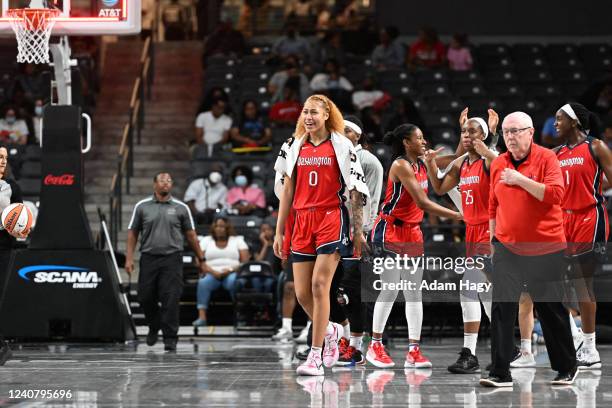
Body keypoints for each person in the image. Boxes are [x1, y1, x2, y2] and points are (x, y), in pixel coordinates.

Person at [273, 94, 370, 376]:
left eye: (314, 112)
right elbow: (286, 191)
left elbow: (355, 190)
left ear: (327, 115)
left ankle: (315, 356)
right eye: (305, 112)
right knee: (302, 293)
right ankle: (331, 329)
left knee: (319, 286)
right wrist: (280, 231)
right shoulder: (293, 146)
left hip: (330, 217)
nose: (308, 117)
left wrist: (357, 229)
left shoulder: (341, 145)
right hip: (301, 219)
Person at [480, 111, 578, 388]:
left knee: (549, 308)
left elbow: (556, 195)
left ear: (531, 132)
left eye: (516, 131)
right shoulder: (499, 163)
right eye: (507, 132)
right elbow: (492, 204)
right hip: (507, 246)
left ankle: (566, 367)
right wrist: (493, 240)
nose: (510, 137)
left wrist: (519, 179)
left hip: (545, 246)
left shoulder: (547, 158)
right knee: (502, 308)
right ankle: (500, 372)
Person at [366, 124, 462, 369]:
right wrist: (459, 216)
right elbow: (423, 202)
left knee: (413, 293)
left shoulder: (422, 162)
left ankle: (414, 351)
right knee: (390, 289)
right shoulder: (401, 165)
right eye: (418, 138)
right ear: (406, 143)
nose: (424, 142)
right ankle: (375, 346)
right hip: (389, 230)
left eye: (424, 137)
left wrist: (463, 133)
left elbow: (458, 160)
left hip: (412, 232)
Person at [424, 108, 499, 373]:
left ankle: (474, 353)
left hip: (492, 232)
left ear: (485, 135)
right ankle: (499, 350)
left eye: (472, 131)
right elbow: (440, 188)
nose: (466, 135)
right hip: (472, 233)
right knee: (481, 294)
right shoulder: (461, 163)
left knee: (473, 291)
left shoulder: (491, 161)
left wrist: (492, 140)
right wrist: (431, 163)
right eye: (464, 131)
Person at [555, 102, 612, 369]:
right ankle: (577, 335)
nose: (555, 123)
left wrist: (592, 188)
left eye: (559, 118)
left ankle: (590, 349)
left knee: (582, 283)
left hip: (590, 216)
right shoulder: (556, 154)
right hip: (563, 219)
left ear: (575, 121)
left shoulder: (595, 147)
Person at [126, 172, 206, 351]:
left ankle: (170, 337)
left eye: (169, 181)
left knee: (171, 299)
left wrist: (201, 258)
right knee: (145, 296)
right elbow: (132, 233)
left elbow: (191, 235)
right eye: (162, 181)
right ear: (154, 184)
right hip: (148, 257)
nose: (165, 184)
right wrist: (130, 258)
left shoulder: (181, 208)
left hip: (172, 259)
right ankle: (154, 325)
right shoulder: (142, 206)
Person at [336, 115, 384, 366]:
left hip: (360, 233)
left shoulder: (368, 160)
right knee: (336, 291)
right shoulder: (340, 158)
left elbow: (370, 201)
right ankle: (340, 340)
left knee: (355, 293)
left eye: (347, 130)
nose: (341, 133)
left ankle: (356, 349)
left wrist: (362, 232)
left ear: (358, 135)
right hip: (340, 232)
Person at [0, 144, 29, 366]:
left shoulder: (11, 187)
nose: (2, 161)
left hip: (2, 247)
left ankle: (2, 346)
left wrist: (19, 227)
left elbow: (21, 224)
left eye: (5, 158)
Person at [193, 217, 250, 326]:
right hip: (211, 273)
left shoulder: (237, 240)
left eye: (222, 226)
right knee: (203, 282)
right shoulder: (206, 240)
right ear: (213, 228)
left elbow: (245, 262)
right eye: (217, 226)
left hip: (232, 273)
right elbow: (199, 261)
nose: (219, 229)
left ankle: (240, 315)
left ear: (227, 228)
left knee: (234, 282)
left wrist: (230, 270)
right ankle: (202, 317)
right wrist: (213, 272)